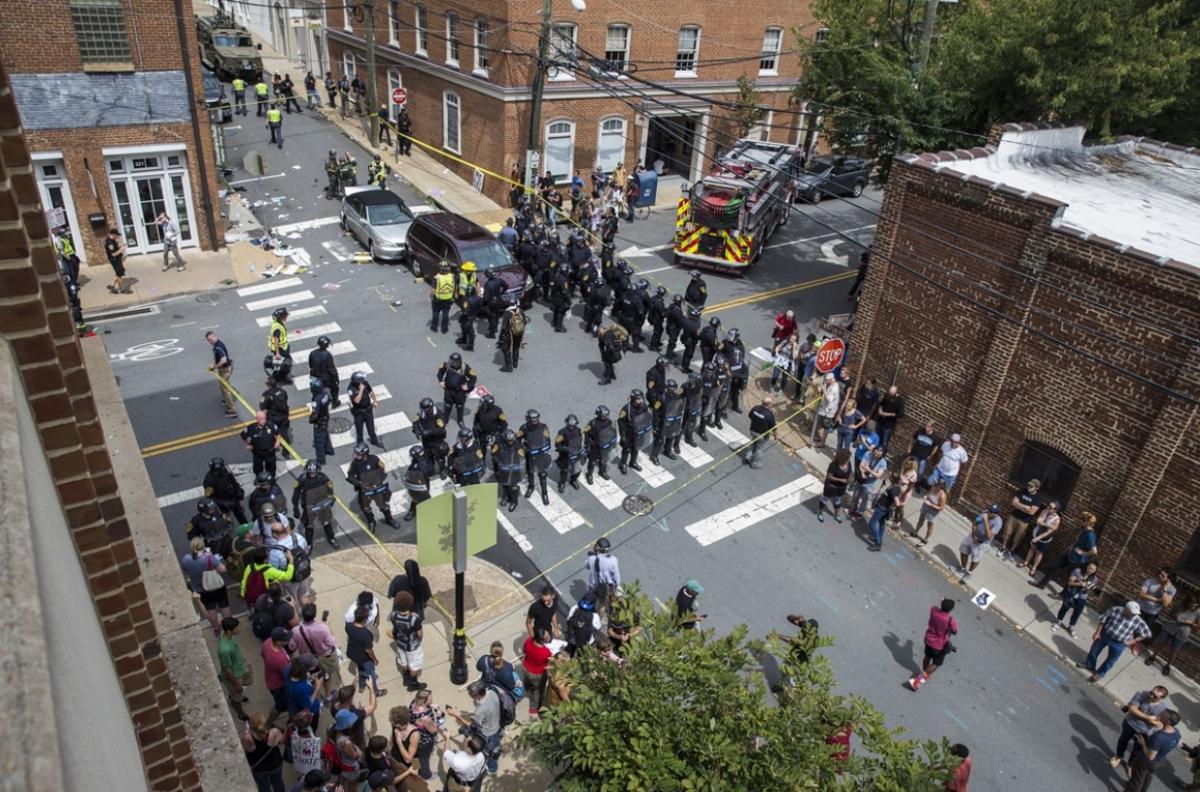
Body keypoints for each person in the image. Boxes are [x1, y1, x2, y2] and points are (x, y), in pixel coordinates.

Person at [1079, 601, 1151, 682]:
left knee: (1111, 660)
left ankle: (1100, 674)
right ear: (1126, 609)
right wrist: (1097, 632)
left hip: (1120, 643)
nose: (1133, 615)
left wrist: (1133, 640)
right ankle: (1089, 665)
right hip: (1106, 635)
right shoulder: (1115, 610)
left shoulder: (1137, 620)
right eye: (1132, 613)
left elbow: (1146, 633)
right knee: (1094, 651)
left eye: (1135, 613)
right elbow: (1103, 620)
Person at [446, 682, 504, 775]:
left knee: (490, 752)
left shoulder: (480, 710)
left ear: (478, 695)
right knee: (495, 748)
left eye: (472, 696)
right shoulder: (493, 692)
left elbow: (472, 725)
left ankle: (492, 769)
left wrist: (455, 714)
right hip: (497, 725)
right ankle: (493, 765)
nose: (471, 698)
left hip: (487, 734)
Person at [1110, 686, 1170, 770]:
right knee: (1123, 740)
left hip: (1144, 731)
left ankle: (1130, 764)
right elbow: (1132, 709)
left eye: (1155, 696)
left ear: (1161, 698)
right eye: (1151, 692)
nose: (1151, 696)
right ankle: (1118, 756)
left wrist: (1142, 715)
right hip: (1130, 723)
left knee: (1137, 749)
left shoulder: (1163, 708)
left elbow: (1160, 724)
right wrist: (1149, 718)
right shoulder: (1141, 694)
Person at [181, 536, 230, 636]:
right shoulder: (209, 558)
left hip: (202, 590)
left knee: (210, 610)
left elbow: (186, 571)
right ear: (203, 546)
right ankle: (229, 627)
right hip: (217, 587)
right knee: (224, 606)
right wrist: (212, 557)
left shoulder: (186, 559)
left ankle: (216, 628)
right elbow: (222, 569)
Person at [1125, 709, 1181, 792]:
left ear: (1168, 721)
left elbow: (1150, 756)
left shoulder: (1159, 737)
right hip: (1159, 761)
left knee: (1136, 780)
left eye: (1163, 715)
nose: (1160, 714)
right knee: (1147, 777)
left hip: (1146, 761)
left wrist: (1143, 743)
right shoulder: (1176, 733)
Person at [290, 603, 342, 689]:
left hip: (308, 660)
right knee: (327, 677)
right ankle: (327, 691)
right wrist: (328, 625)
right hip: (325, 657)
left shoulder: (295, 631)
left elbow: (292, 647)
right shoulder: (323, 628)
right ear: (314, 615)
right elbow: (332, 643)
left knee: (315, 677)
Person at [908, 598, 957, 691]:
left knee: (927, 656)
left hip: (928, 639)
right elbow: (955, 632)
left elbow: (937, 607)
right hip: (939, 645)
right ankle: (917, 681)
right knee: (936, 663)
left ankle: (924, 673)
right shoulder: (950, 620)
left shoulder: (933, 610)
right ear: (951, 609)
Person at [1144, 597, 1199, 676]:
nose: (1193, 607)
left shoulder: (1198, 612)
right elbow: (1171, 614)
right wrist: (1178, 618)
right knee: (1160, 643)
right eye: (1191, 605)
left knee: (1174, 650)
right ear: (1187, 603)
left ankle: (1168, 665)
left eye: (1195, 606)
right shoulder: (1180, 605)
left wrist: (1191, 623)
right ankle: (1153, 657)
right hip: (1170, 626)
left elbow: (1198, 626)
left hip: (1183, 632)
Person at [1050, 562, 1100, 639]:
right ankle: (1058, 622)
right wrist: (1080, 584)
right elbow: (1069, 583)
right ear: (1087, 566)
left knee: (1077, 612)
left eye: (1093, 569)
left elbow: (1089, 591)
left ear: (1095, 570)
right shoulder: (1078, 571)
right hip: (1071, 594)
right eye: (1089, 568)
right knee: (1064, 608)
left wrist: (1087, 589)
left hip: (1082, 597)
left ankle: (1071, 627)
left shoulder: (1094, 579)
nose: (1090, 570)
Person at [346, 606, 388, 697]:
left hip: (352, 653)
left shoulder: (348, 626)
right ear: (364, 619)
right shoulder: (366, 634)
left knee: (361, 668)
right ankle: (375, 691)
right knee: (371, 673)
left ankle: (362, 685)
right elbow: (368, 650)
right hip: (363, 657)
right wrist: (374, 659)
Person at [242, 712, 286, 792]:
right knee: (278, 783)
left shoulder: (248, 738)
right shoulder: (275, 732)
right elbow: (281, 742)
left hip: (259, 769)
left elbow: (246, 751)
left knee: (264, 787)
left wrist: (247, 733)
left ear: (251, 726)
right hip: (276, 763)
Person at [218, 616, 252, 721]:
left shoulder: (231, 637)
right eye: (237, 628)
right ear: (229, 631)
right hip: (235, 675)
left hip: (241, 668)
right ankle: (240, 713)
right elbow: (227, 669)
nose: (239, 629)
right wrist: (236, 683)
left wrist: (245, 662)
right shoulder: (224, 650)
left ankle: (237, 695)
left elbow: (237, 649)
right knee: (236, 697)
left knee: (248, 682)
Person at [958, 505, 1002, 579]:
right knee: (963, 549)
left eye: (992, 512)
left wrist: (985, 520)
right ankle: (963, 568)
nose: (990, 513)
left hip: (983, 542)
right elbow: (975, 523)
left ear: (997, 514)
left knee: (975, 558)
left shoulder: (998, 522)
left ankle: (969, 573)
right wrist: (973, 535)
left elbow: (989, 536)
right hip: (973, 536)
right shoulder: (985, 512)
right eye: (990, 510)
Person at [261, 626, 293, 722]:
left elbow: (262, 653)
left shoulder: (268, 642)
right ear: (278, 642)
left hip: (271, 679)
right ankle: (268, 723)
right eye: (286, 639)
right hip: (279, 686)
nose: (289, 639)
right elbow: (289, 675)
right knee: (280, 706)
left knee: (283, 703)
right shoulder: (280, 658)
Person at [436, 353, 477, 426]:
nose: (453, 363)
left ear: (459, 361)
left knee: (460, 406)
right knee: (447, 405)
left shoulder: (465, 368)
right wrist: (441, 381)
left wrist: (468, 385)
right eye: (452, 361)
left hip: (460, 392)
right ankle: (445, 419)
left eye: (455, 362)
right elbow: (440, 372)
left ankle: (460, 420)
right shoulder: (447, 365)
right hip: (449, 390)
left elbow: (473, 378)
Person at [1022, 500, 1061, 577]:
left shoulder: (1057, 519)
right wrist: (1048, 525)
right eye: (1048, 506)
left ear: (1055, 510)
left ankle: (1034, 568)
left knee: (1039, 552)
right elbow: (1038, 521)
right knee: (1032, 548)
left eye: (1051, 507)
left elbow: (1050, 530)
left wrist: (1039, 537)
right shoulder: (1044, 511)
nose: (1048, 508)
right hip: (1037, 532)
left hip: (1045, 538)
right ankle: (1026, 562)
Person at [867, 473, 903, 552]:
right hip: (884, 508)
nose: (889, 477)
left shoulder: (894, 489)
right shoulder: (896, 486)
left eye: (891, 477)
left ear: (893, 479)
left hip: (881, 509)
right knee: (881, 522)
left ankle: (878, 543)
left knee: (872, 523)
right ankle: (879, 538)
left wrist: (898, 517)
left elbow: (897, 503)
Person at [586, 537, 620, 618]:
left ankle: (588, 615)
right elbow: (616, 577)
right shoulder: (613, 560)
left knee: (590, 600)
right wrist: (615, 587)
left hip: (593, 585)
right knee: (602, 604)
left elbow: (587, 566)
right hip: (605, 587)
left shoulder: (592, 558)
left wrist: (593, 554)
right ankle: (599, 619)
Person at [242, 410, 282, 478]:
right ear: (257, 419)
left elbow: (278, 433)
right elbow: (243, 435)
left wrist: (278, 442)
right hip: (257, 453)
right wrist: (247, 444)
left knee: (271, 468)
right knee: (257, 469)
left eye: (264, 418)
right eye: (261, 419)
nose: (263, 420)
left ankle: (271, 480)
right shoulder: (251, 428)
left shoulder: (271, 425)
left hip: (270, 452)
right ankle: (259, 479)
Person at [817, 449, 852, 523]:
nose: (849, 459)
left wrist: (850, 479)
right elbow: (829, 476)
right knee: (825, 499)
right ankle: (820, 513)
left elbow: (850, 472)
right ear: (842, 458)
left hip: (842, 487)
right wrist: (841, 480)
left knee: (838, 500)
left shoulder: (848, 463)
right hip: (831, 486)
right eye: (847, 458)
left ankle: (836, 515)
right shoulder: (833, 465)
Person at [743, 397, 777, 468]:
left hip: (753, 431)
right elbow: (773, 428)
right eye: (771, 403)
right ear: (769, 404)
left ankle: (748, 457)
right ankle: (755, 463)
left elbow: (750, 415)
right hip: (762, 436)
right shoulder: (769, 414)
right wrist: (775, 436)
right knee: (759, 449)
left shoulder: (756, 408)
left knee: (753, 444)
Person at [431, 262, 456, 334]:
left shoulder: (437, 277)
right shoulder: (452, 276)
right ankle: (444, 329)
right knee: (445, 313)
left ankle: (434, 327)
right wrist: (453, 297)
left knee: (435, 312)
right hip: (448, 299)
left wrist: (431, 297)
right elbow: (454, 287)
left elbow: (433, 290)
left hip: (437, 299)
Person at [103, 227, 128, 294]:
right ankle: (122, 289)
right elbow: (113, 254)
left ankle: (111, 285)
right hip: (115, 260)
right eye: (116, 235)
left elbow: (116, 248)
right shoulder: (109, 243)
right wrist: (122, 249)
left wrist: (120, 243)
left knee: (120, 272)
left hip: (117, 259)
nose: (117, 236)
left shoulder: (113, 240)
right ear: (113, 234)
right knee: (119, 273)